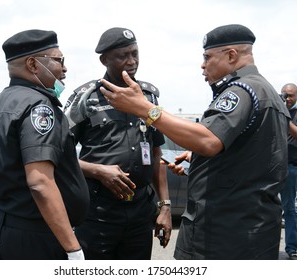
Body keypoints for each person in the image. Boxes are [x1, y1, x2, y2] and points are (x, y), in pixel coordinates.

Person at [99, 24, 290, 259]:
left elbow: (208, 140)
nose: (203, 64)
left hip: (224, 233)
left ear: (231, 55)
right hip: (248, 227)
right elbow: (253, 153)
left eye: (208, 57)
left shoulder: (241, 90)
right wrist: (196, 158)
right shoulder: (266, 91)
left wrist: (146, 109)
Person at [64, 27, 172, 260]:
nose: (131, 61)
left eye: (135, 53)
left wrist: (165, 206)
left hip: (140, 213)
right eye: (123, 56)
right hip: (97, 213)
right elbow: (58, 153)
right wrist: (98, 171)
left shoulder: (149, 97)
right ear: (104, 60)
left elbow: (155, 153)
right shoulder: (86, 97)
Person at [0, 29, 89, 260]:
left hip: (9, 227)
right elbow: (40, 182)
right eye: (59, 60)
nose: (65, 68)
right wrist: (73, 249)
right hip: (38, 237)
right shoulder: (39, 106)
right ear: (33, 64)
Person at [280, 83, 297, 260]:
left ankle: (292, 248)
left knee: (289, 208)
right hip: (275, 166)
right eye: (285, 95)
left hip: (292, 167)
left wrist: (285, 116)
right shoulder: (278, 111)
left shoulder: (290, 114)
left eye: (291, 95)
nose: (287, 99)